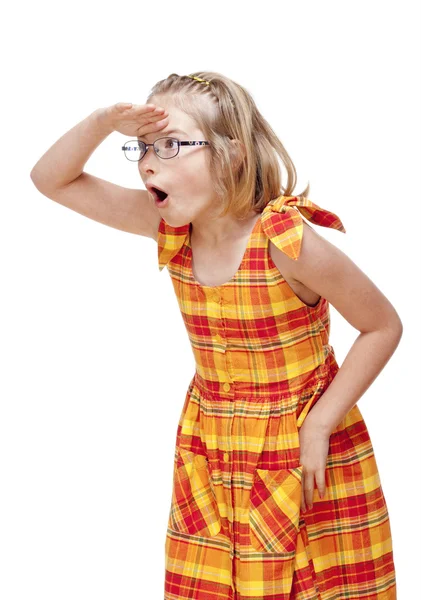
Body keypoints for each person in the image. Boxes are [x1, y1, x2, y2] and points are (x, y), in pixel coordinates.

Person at [30, 71, 402, 599]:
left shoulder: (286, 242)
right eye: (140, 147)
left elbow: (382, 325)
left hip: (299, 447)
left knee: (309, 582)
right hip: (211, 448)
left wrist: (319, 424)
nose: (148, 162)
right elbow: (51, 179)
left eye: (171, 144)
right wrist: (103, 121)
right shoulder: (172, 229)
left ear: (231, 155)